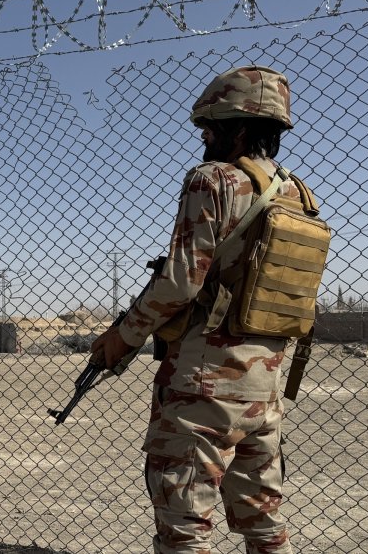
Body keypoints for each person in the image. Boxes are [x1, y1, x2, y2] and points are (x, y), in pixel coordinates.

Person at [91, 65, 312, 553]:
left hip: (204, 384)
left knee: (185, 528)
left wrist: (123, 338)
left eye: (211, 126)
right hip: (265, 385)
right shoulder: (297, 193)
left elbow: (180, 282)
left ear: (239, 127)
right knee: (263, 523)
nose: (203, 136)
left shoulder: (212, 179)